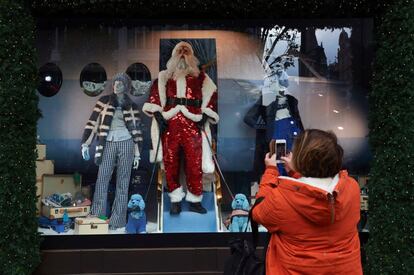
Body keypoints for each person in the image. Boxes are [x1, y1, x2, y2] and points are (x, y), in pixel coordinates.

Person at [252, 129, 362, 274]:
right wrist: (296, 173)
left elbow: (258, 212)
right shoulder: (352, 188)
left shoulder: (281, 199)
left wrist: (271, 170)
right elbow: (317, 193)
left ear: (300, 159)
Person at [142, 41, 218, 215]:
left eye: (186, 51)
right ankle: (175, 199)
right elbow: (155, 98)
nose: (183, 54)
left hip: (193, 123)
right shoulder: (164, 77)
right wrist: (158, 115)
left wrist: (205, 114)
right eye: (180, 51)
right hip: (171, 123)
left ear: (191, 56)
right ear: (174, 55)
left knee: (195, 163)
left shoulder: (201, 78)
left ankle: (195, 200)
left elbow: (211, 95)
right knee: (170, 162)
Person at [81, 72, 142, 230]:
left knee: (123, 182)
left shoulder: (131, 105)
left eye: (120, 84)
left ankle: (117, 221)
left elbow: (135, 132)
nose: (117, 86)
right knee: (102, 179)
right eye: (115, 83)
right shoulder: (103, 101)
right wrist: (85, 144)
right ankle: (98, 215)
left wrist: (137, 154)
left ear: (126, 86)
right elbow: (93, 124)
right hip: (107, 143)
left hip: (126, 143)